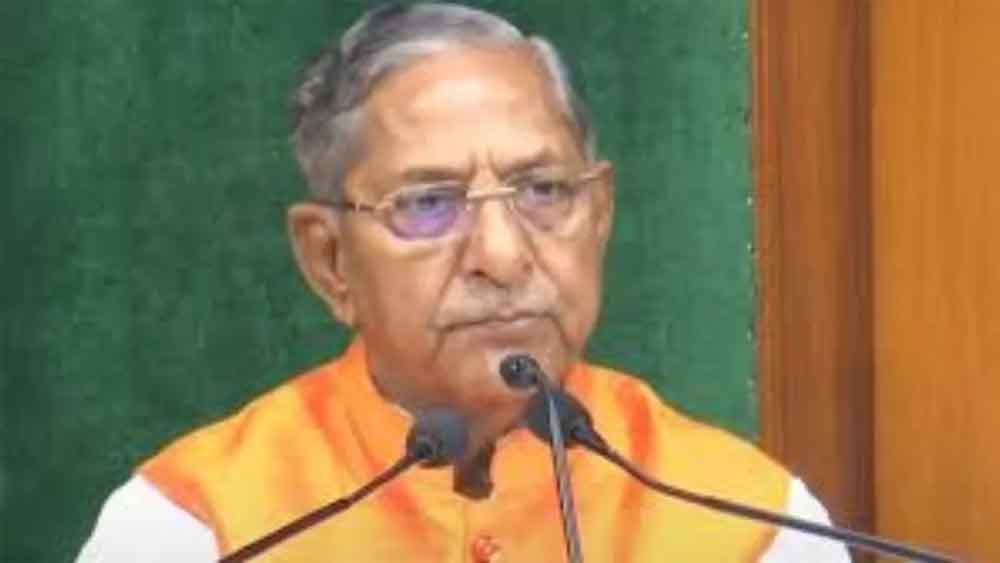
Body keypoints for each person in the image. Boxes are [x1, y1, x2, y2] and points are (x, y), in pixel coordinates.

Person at [77, 3, 849, 561]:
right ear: (330, 260)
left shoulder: (751, 526)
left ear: (600, 214)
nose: (503, 255)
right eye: (428, 203)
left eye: (543, 189)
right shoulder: (196, 529)